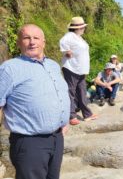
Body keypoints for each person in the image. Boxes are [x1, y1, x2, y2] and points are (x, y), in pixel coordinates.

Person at [0, 24, 70, 179]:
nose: (32, 42)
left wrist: (64, 122)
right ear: (19, 43)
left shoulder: (52, 65)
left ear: (43, 42)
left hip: (57, 139)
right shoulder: (10, 69)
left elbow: (58, 94)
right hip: (29, 143)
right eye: (26, 38)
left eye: (36, 38)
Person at [60, 16, 97, 125]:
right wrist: (66, 51)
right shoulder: (70, 36)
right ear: (77, 28)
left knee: (82, 91)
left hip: (80, 69)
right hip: (71, 68)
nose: (83, 29)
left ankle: (87, 114)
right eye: (82, 27)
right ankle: (71, 116)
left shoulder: (78, 37)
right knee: (71, 92)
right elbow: (62, 42)